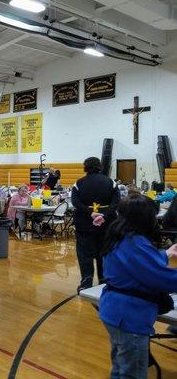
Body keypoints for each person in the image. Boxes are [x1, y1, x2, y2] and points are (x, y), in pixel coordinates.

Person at [98, 194, 177, 378]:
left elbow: (140, 264)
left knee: (120, 367)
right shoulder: (135, 244)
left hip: (114, 311)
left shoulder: (120, 236)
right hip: (129, 317)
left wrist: (166, 254)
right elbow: (160, 277)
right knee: (132, 373)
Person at [72, 157, 120, 292]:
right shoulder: (111, 182)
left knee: (84, 253)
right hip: (107, 223)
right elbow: (116, 202)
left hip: (84, 223)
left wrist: (90, 213)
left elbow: (75, 202)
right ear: (99, 166)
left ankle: (86, 281)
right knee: (104, 252)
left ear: (85, 167)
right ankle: (103, 280)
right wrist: (104, 214)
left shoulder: (79, 183)